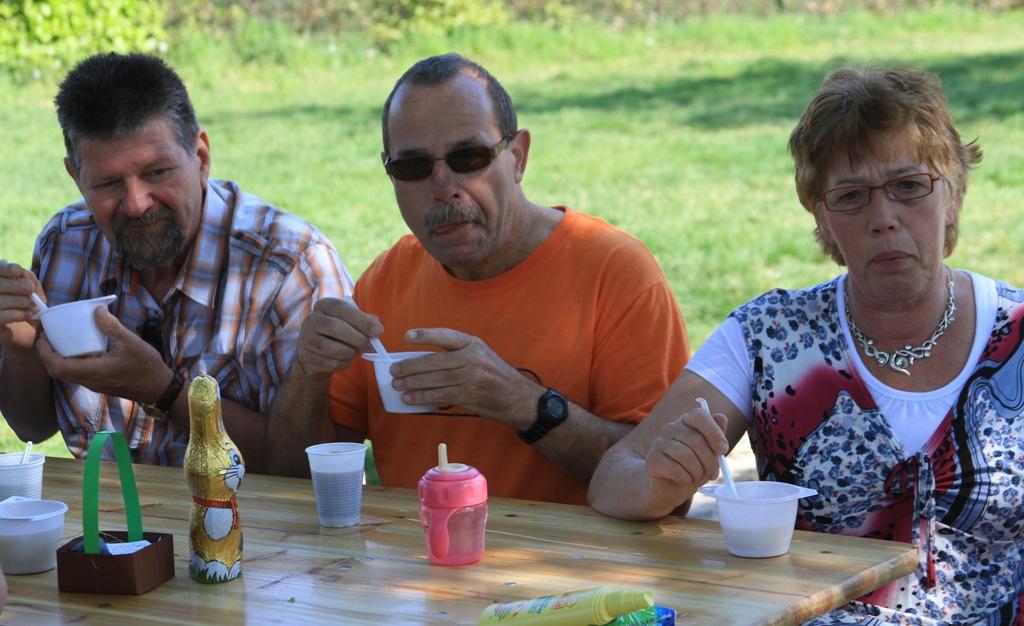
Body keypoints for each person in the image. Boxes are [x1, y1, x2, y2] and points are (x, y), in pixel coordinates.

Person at [588, 65, 1024, 624]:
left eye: (910, 186)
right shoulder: (770, 335)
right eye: (851, 197)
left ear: (955, 194)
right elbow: (612, 479)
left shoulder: (1013, 332)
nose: (884, 219)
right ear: (821, 218)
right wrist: (659, 477)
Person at [268, 53, 688, 504]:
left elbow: (669, 490)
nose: (443, 185)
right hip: (411, 565)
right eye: (412, 166)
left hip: (569, 570)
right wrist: (307, 376)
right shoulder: (386, 281)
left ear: (518, 157)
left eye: (468, 157)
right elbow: (294, 480)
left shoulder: (615, 273)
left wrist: (522, 403)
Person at [0, 53, 346, 472]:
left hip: (253, 529)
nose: (136, 203)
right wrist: (22, 346)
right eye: (108, 183)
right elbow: (31, 426)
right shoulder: (67, 242)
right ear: (76, 177)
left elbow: (306, 469)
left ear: (200, 158)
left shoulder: (289, 268)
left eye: (158, 172)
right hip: (109, 526)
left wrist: (163, 390)